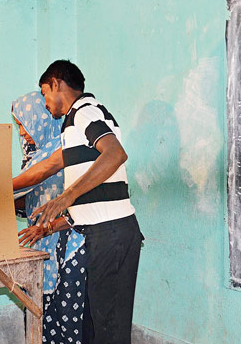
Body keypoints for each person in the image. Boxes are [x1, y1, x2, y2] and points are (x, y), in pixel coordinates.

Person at [13, 61, 144, 344]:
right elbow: (59, 176)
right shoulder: (72, 126)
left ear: (57, 84)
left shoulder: (86, 113)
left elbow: (115, 154)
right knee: (95, 325)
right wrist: (49, 227)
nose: (45, 102)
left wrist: (66, 196)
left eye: (45, 92)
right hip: (102, 232)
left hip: (112, 234)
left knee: (109, 328)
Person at [12, 91, 87, 344]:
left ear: (41, 120)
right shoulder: (34, 156)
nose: (21, 133)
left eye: (24, 125)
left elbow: (80, 201)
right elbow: (29, 201)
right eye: (19, 126)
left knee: (68, 320)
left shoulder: (66, 148)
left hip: (69, 248)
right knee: (41, 319)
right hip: (43, 247)